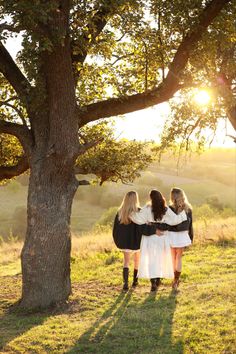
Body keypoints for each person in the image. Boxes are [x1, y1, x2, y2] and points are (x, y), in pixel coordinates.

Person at [130, 189, 188, 291]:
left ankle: (153, 283)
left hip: (149, 238)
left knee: (152, 260)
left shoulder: (147, 208)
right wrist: (182, 214)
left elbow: (138, 219)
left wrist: (130, 212)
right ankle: (157, 281)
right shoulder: (165, 209)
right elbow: (174, 220)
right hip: (162, 237)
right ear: (161, 197)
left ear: (151, 198)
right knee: (160, 259)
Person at [113, 191, 157, 291]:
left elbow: (115, 229)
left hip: (125, 242)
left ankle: (125, 284)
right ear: (135, 199)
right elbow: (142, 226)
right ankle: (135, 281)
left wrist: (118, 240)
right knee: (137, 261)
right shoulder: (139, 211)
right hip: (137, 241)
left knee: (126, 262)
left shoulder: (120, 211)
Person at [167, 188, 193, 290]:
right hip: (182, 235)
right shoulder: (188, 208)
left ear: (172, 196)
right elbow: (190, 225)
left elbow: (167, 223)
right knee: (179, 258)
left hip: (171, 235)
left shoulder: (169, 208)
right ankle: (176, 280)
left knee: (173, 258)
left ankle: (174, 278)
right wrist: (190, 237)